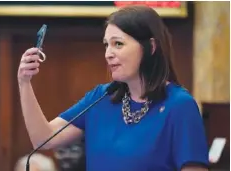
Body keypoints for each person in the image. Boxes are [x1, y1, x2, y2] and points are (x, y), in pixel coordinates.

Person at [17, 5, 209, 171]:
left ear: (151, 47)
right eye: (106, 45)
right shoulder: (100, 98)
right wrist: (24, 82)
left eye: (118, 44)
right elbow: (43, 138)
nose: (108, 53)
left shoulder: (179, 106)